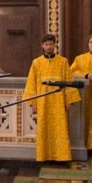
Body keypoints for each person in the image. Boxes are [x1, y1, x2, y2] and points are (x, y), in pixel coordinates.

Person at [23, 34, 81, 163]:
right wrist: (33, 103)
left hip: (58, 101)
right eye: (46, 44)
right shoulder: (36, 63)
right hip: (43, 101)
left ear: (54, 45)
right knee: (44, 128)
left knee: (59, 128)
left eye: (51, 44)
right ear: (42, 46)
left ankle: (61, 156)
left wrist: (69, 101)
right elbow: (31, 83)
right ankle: (44, 156)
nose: (49, 47)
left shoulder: (63, 61)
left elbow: (68, 81)